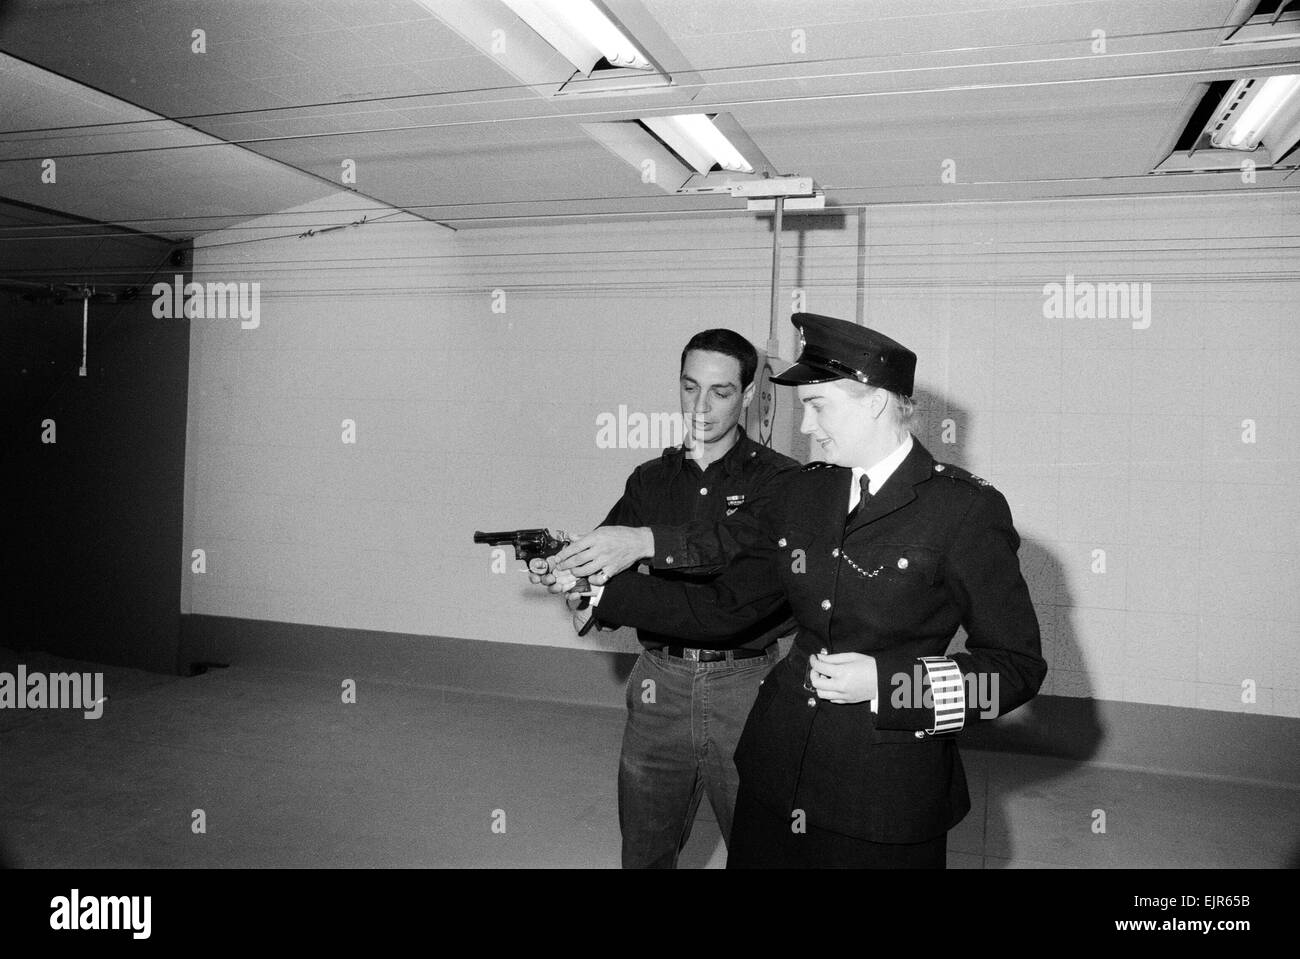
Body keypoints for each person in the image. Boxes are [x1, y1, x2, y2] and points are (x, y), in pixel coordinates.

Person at [575, 313, 1047, 868]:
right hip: (776, 768)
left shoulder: (962, 510)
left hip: (885, 792)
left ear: (874, 400)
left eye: (820, 407)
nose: (808, 429)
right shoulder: (806, 492)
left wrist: (890, 683)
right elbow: (725, 567)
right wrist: (624, 560)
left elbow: (1014, 670)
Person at [541, 329, 799, 869]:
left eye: (721, 392)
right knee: (644, 852)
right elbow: (599, 583)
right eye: (689, 388)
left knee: (762, 851)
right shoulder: (649, 483)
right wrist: (573, 574)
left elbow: (740, 564)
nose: (700, 407)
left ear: (750, 395)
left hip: (746, 687)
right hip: (660, 683)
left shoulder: (782, 483)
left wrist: (643, 547)